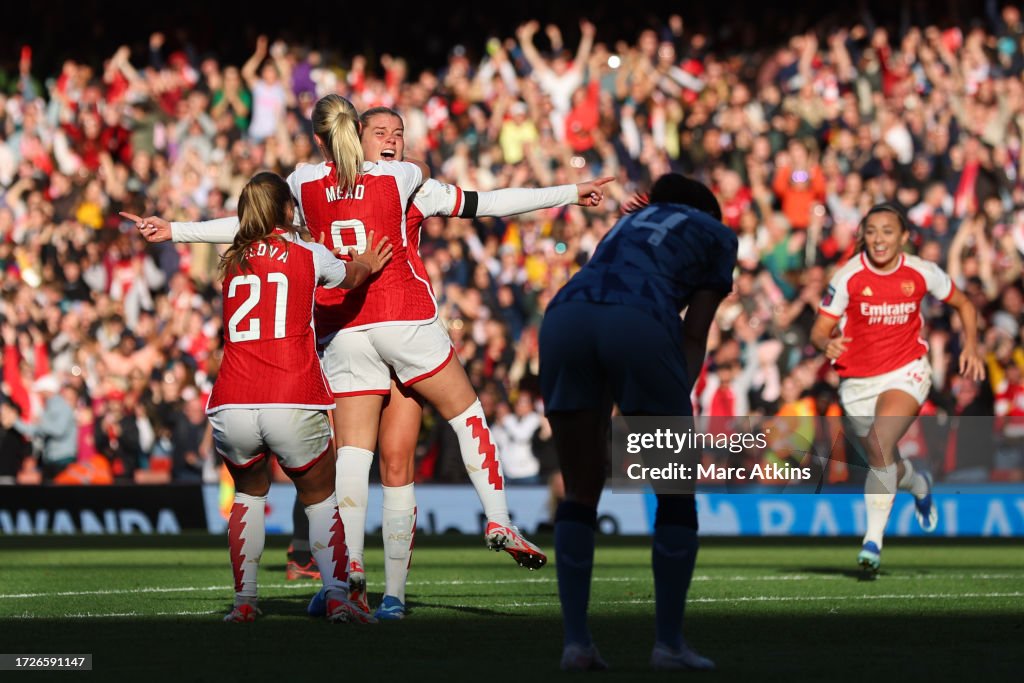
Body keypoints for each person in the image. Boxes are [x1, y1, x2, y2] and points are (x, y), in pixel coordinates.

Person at [131, 103, 611, 619]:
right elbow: (488, 201)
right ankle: (495, 519)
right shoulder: (403, 178)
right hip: (404, 319)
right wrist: (569, 192)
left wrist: (178, 229)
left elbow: (250, 224)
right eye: (381, 131)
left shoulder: (305, 181)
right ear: (356, 135)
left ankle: (353, 580)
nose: (393, 139)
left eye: (399, 132)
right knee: (464, 415)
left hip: (345, 331)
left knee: (363, 461)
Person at [539, 173, 736, 671]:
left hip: (565, 312)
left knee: (580, 490)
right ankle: (668, 644)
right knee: (674, 488)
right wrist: (670, 403)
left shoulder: (624, 225)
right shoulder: (717, 233)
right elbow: (695, 334)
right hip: (639, 317)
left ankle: (576, 643)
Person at [204, 171, 391, 623]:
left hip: (231, 399)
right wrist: (368, 260)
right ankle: (337, 596)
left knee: (248, 494)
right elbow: (351, 278)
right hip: (292, 393)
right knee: (321, 497)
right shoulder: (307, 252)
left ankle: (245, 602)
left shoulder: (233, 259)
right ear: (287, 209)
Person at [810, 203, 985, 574]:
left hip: (906, 372)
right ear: (862, 236)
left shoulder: (922, 272)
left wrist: (971, 345)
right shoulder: (848, 277)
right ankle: (918, 482)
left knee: (878, 443)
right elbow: (819, 328)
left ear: (904, 236)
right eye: (871, 231)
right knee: (881, 458)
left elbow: (964, 303)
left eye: (888, 231)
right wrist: (825, 343)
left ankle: (872, 541)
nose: (879, 239)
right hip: (856, 384)